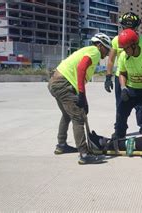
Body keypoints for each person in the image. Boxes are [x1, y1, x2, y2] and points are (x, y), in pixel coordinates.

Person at [47, 33, 110, 165]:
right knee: (78, 117)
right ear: (99, 45)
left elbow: (79, 74)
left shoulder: (87, 50)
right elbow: (81, 68)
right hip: (63, 84)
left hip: (56, 82)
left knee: (67, 114)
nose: (108, 52)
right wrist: (81, 94)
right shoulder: (95, 51)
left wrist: (83, 98)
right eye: (106, 48)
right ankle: (84, 154)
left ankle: (61, 145)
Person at [105, 12, 142, 135]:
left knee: (139, 104)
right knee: (120, 104)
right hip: (121, 76)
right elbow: (111, 59)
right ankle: (120, 129)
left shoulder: (141, 41)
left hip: (136, 77)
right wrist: (108, 76)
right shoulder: (116, 40)